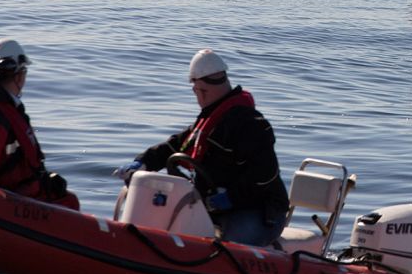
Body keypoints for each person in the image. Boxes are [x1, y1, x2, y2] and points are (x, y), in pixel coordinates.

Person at [116, 49, 289, 246]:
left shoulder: (251, 124)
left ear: (202, 90)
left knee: (228, 251)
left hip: (258, 210)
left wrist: (231, 198)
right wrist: (143, 162)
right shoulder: (208, 121)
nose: (196, 95)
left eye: (197, 90)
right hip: (213, 208)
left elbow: (265, 174)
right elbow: (174, 146)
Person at [0, 38, 79, 210]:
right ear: (18, 76)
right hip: (3, 204)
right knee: (69, 203)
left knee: (67, 199)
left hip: (13, 193)